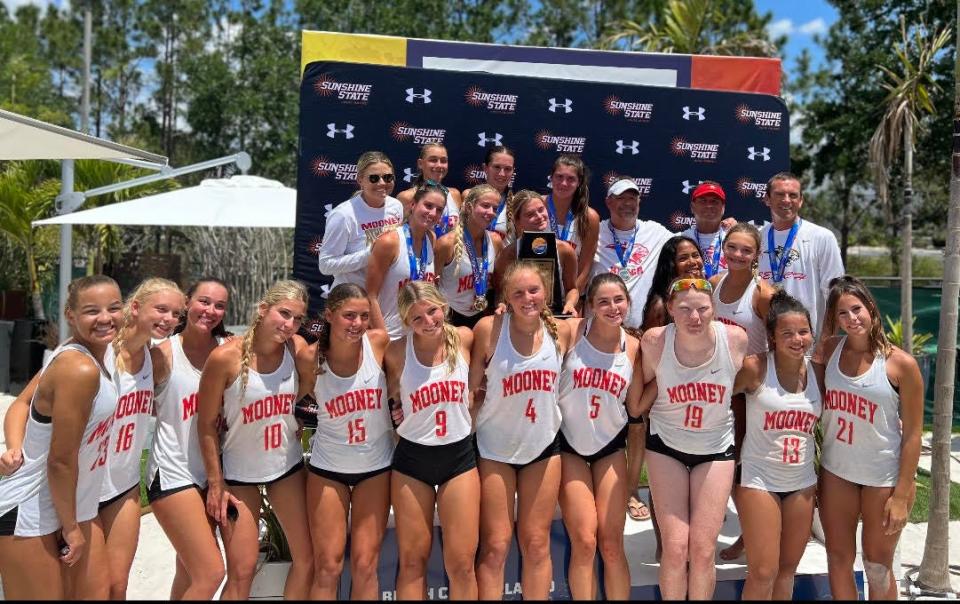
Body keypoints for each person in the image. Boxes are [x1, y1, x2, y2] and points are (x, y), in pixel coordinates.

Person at [0, 276, 122, 599]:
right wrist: (70, 528)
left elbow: (22, 403)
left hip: (64, 504)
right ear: (70, 315)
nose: (106, 318)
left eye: (114, 307)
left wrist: (15, 446)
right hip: (30, 508)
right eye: (92, 311)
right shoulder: (77, 367)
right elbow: (60, 461)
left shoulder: (91, 354)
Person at [197, 280, 316, 600]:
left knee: (307, 560)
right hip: (238, 474)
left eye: (298, 319)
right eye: (284, 313)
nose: (290, 324)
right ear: (263, 310)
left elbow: (320, 375)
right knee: (242, 571)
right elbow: (206, 424)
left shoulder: (296, 349)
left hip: (285, 467)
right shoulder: (225, 358)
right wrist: (215, 482)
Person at [814, 275, 923, 600]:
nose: (852, 319)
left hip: (882, 477)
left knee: (877, 565)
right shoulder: (829, 349)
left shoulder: (901, 364)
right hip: (837, 471)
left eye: (856, 309)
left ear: (871, 308)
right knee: (839, 559)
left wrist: (902, 494)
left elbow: (914, 434)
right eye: (842, 313)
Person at [638, 278, 748, 599]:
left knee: (701, 550)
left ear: (715, 309)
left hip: (715, 448)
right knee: (674, 548)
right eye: (684, 309)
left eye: (702, 309)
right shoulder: (655, 342)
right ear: (670, 309)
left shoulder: (736, 340)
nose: (694, 317)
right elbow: (644, 390)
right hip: (666, 447)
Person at [471, 260, 572, 600]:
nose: (527, 298)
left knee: (536, 542)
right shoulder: (490, 328)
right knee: (496, 545)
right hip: (494, 448)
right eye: (518, 293)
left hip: (542, 447)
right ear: (506, 298)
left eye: (534, 290)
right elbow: (471, 388)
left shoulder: (563, 330)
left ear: (546, 292)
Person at [296, 283, 393, 599]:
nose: (358, 324)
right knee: (328, 567)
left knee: (366, 564)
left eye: (364, 316)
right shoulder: (310, 359)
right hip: (328, 470)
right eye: (349, 316)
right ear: (329, 315)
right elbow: (289, 399)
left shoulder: (378, 343)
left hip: (375, 468)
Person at [386, 282, 479, 599]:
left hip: (459, 458)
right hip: (412, 459)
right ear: (405, 322)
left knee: (462, 564)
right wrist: (394, 410)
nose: (427, 322)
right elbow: (385, 396)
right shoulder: (396, 351)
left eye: (432, 311)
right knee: (412, 563)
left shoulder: (465, 339)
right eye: (416, 318)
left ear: (444, 306)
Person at [557, 273, 643, 599]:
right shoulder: (572, 330)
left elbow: (635, 406)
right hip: (569, 444)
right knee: (585, 541)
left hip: (609, 446)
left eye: (618, 300)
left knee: (610, 544)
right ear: (590, 306)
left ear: (628, 302)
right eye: (603, 301)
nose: (612, 307)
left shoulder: (633, 345)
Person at [97, 278, 184, 599]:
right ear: (135, 307)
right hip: (85, 486)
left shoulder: (156, 360)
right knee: (86, 586)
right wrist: (15, 446)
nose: (169, 319)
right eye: (161, 309)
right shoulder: (100, 354)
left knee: (117, 585)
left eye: (176, 313)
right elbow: (26, 402)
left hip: (124, 486)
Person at [146, 277, 231, 599]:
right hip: (173, 472)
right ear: (187, 302)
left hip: (212, 474)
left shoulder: (229, 350)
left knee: (189, 571)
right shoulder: (162, 356)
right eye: (204, 302)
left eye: (219, 305)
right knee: (211, 572)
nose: (211, 310)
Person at [733, 290, 821, 598]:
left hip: (802, 481)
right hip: (759, 479)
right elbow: (712, 391)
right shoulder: (754, 368)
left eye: (803, 332)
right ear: (771, 336)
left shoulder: (819, 372)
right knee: (762, 572)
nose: (797, 339)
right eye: (787, 333)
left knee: (786, 572)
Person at [623, 235, 705, 528]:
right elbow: (653, 359)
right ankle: (650, 513)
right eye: (684, 257)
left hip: (697, 393)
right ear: (671, 265)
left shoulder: (706, 295)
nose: (692, 262)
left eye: (696, 255)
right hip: (665, 393)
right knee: (658, 454)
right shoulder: (660, 304)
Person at [710, 222, 775, 561]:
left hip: (752, 393)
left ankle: (754, 535)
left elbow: (780, 345)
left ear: (756, 255)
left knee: (747, 468)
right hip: (720, 389)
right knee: (726, 465)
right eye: (732, 247)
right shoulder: (714, 284)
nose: (737, 254)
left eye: (746, 250)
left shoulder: (764, 294)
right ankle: (750, 535)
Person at [758, 172, 844, 334]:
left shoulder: (822, 237)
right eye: (779, 194)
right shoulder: (757, 237)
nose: (786, 200)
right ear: (767, 199)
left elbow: (836, 296)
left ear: (801, 200)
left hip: (808, 344)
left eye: (793, 195)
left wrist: (825, 343)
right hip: (765, 342)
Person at [592, 177, 675, 329]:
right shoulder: (593, 232)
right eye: (621, 198)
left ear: (639, 202)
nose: (627, 203)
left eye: (632, 198)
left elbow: (687, 243)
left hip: (642, 330)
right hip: (601, 328)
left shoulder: (655, 232)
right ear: (608, 202)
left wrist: (729, 227)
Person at [366, 183, 444, 339]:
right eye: (428, 206)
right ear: (413, 205)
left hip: (420, 335)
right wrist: (383, 338)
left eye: (439, 209)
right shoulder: (390, 242)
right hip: (392, 335)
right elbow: (370, 295)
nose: (433, 213)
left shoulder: (431, 238)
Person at [317, 151, 404, 289]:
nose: (382, 183)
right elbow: (325, 265)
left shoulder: (396, 206)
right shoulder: (343, 214)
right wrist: (369, 255)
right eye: (374, 178)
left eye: (388, 177)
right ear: (360, 180)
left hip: (384, 296)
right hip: (351, 297)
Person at [491, 190, 579, 316]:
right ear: (517, 220)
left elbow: (572, 288)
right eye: (530, 214)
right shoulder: (508, 254)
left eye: (541, 209)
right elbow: (501, 292)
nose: (539, 216)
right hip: (521, 318)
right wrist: (502, 304)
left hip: (556, 316)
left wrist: (569, 304)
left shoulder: (565, 250)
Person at [435, 184, 504, 328]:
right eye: (485, 206)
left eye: (495, 208)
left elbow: (499, 282)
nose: (491, 212)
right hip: (450, 316)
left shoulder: (495, 241)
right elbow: (430, 285)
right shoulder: (447, 243)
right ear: (468, 207)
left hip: (483, 314)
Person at [545, 154, 600, 293]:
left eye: (571, 179)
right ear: (551, 177)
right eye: (559, 176)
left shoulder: (589, 217)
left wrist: (571, 297)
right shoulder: (537, 206)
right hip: (535, 293)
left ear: (579, 182)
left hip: (570, 298)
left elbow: (585, 269)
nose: (564, 183)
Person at [397, 143, 462, 237]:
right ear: (420, 164)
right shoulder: (407, 197)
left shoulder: (454, 194)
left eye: (443, 161)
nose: (439, 165)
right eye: (433, 160)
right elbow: (401, 234)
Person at [463, 145, 515, 236]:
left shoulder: (516, 203)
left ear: (512, 171)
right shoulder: (469, 195)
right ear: (485, 168)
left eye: (507, 169)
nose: (502, 174)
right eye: (497, 167)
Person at [681, 181, 730, 278]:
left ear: (723, 208)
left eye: (714, 201)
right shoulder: (681, 239)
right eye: (703, 201)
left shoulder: (734, 238)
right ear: (692, 207)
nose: (708, 205)